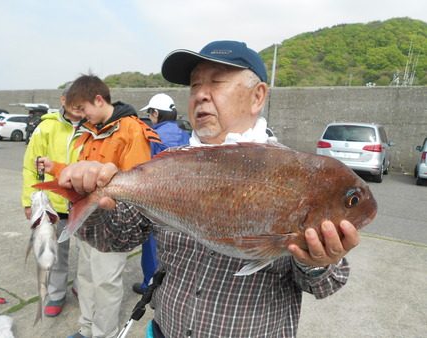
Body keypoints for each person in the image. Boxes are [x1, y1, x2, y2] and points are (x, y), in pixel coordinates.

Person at [55, 41, 360, 337]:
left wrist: (316, 264)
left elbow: (326, 284)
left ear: (257, 96)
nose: (200, 94)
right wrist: (88, 199)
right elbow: (115, 239)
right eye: (194, 86)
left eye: (216, 82)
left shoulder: (296, 173)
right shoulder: (166, 168)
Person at [41, 75, 162, 338]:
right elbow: (82, 176)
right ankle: (86, 328)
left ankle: (103, 334)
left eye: (83, 109)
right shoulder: (88, 131)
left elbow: (136, 182)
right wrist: (57, 170)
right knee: (85, 278)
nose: (81, 115)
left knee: (106, 281)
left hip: (114, 222)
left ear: (98, 99)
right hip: (87, 220)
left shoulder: (131, 129)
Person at [22, 83, 82, 317]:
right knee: (56, 253)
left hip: (85, 204)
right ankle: (56, 293)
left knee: (90, 254)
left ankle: (80, 286)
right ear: (63, 100)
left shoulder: (95, 127)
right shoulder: (46, 127)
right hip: (55, 205)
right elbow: (30, 166)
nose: (79, 104)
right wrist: (30, 202)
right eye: (73, 98)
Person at [132, 93, 190, 295]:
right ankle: (175, 283)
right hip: (184, 198)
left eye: (150, 113)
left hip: (157, 197)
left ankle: (151, 284)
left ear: (155, 113)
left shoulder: (151, 135)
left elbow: (143, 166)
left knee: (152, 242)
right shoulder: (186, 133)